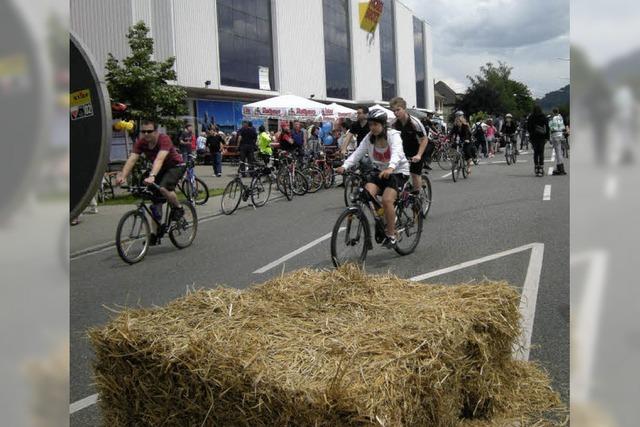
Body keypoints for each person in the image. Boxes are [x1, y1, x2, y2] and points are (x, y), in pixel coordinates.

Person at [335, 109, 410, 249]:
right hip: (380, 171)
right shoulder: (370, 138)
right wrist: (344, 166)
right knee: (367, 193)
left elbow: (397, 153)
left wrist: (391, 167)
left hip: (398, 172)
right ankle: (384, 217)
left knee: (387, 200)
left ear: (383, 124)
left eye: (375, 124)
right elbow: (358, 153)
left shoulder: (392, 135)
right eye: (370, 124)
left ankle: (392, 234)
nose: (372, 127)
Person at [115, 119, 186, 244]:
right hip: (159, 169)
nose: (146, 134)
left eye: (149, 131)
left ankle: (178, 208)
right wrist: (123, 175)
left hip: (175, 166)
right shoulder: (141, 142)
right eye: (144, 131)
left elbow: (159, 159)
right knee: (155, 202)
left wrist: (152, 175)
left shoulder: (164, 139)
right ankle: (155, 233)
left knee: (164, 187)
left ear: (156, 131)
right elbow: (132, 159)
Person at [389, 97, 428, 192]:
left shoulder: (415, 122)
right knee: (396, 174)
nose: (396, 113)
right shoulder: (393, 124)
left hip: (416, 150)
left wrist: (418, 155)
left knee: (414, 174)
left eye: (398, 110)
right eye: (394, 111)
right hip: (402, 151)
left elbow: (424, 139)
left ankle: (417, 197)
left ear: (404, 109)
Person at [527, 105, 550, 177]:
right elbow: (547, 127)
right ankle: (541, 168)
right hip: (542, 137)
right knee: (541, 152)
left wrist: (530, 136)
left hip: (534, 137)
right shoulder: (544, 117)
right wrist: (547, 137)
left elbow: (528, 127)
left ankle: (536, 167)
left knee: (536, 152)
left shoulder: (531, 117)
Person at [549, 108, 567, 175]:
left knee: (558, 152)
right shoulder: (561, 117)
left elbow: (551, 128)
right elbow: (563, 126)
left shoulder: (552, 118)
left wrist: (550, 138)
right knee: (560, 152)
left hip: (555, 135)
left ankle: (560, 168)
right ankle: (561, 167)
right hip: (561, 134)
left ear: (553, 112)